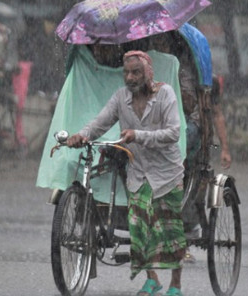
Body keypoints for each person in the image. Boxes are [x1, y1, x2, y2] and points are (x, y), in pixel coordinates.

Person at [66, 51, 187, 296]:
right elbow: (100, 123)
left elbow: (174, 133)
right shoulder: (121, 98)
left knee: (170, 230)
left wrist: (139, 135)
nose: (130, 77)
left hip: (167, 174)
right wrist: (82, 135)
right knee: (137, 227)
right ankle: (152, 279)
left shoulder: (165, 94)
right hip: (139, 173)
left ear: (148, 73)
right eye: (126, 73)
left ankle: (176, 285)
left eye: (136, 72)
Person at [149, 31, 232, 264]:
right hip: (156, 124)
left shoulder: (183, 68)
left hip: (187, 124)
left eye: (161, 42)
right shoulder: (144, 64)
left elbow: (195, 106)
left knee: (175, 152)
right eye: (154, 42)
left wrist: (225, 148)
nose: (157, 46)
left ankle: (181, 231)